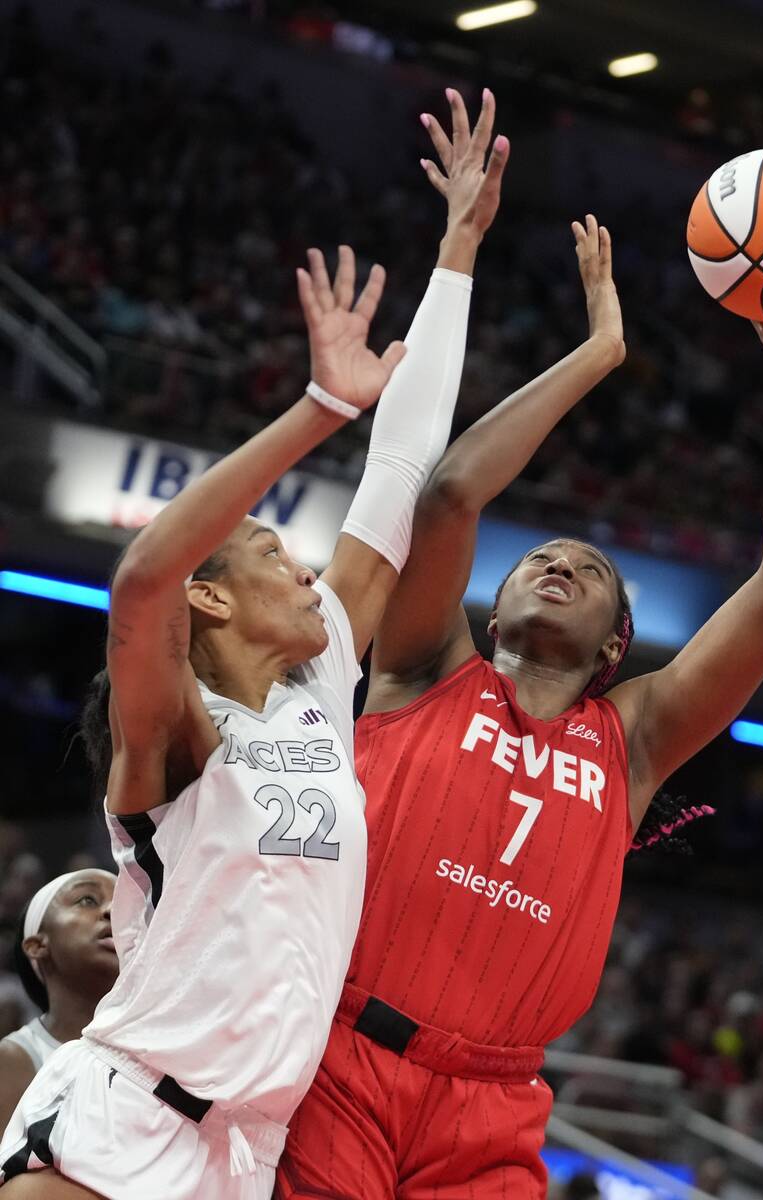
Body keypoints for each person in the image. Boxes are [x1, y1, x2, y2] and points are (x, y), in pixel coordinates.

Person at [277, 159, 763, 1196]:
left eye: (590, 570)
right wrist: (600, 353)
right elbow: (452, 491)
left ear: (612, 651)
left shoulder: (633, 738)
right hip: (341, 1061)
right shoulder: (421, 669)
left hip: (499, 1107)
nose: (562, 562)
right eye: (540, 559)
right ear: (492, 610)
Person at [0, 87, 508, 1200]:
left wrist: (459, 250)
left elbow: (402, 474)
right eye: (276, 555)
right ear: (214, 605)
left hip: (247, 1148)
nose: (309, 571)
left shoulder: (317, 690)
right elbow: (141, 582)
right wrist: (322, 404)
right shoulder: (178, 732)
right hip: (124, 1118)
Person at [0, 871, 117, 1132]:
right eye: (87, 900)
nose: (113, 910)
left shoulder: (166, 1045)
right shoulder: (11, 1061)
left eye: (124, 904)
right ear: (37, 945)